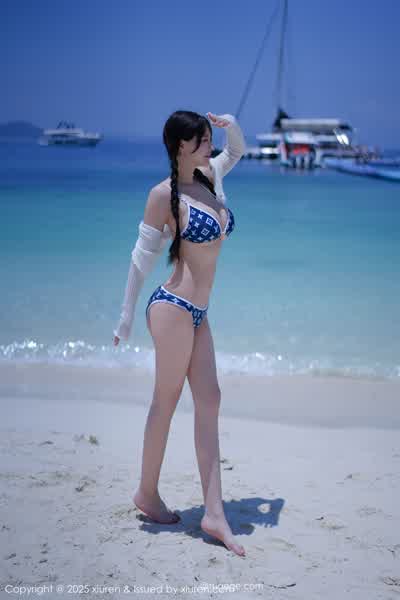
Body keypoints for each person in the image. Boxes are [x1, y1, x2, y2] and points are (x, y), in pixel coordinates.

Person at [113, 110, 246, 556]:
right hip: (172, 308)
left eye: (209, 138)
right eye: (202, 139)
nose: (210, 145)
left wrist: (231, 125)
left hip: (198, 312)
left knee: (210, 399)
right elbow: (141, 258)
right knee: (165, 402)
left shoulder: (210, 177)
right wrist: (125, 317)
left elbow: (237, 150)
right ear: (179, 146)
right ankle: (147, 493)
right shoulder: (162, 195)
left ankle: (214, 513)